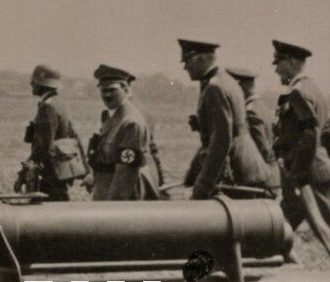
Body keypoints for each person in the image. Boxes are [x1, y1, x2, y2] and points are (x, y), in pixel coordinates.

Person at [271, 40, 330, 259]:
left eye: (279, 63)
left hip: (306, 176)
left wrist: (297, 173)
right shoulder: (315, 90)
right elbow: (329, 135)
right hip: (312, 171)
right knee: (277, 228)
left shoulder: (298, 92)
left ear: (292, 62)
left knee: (327, 233)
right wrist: (329, 166)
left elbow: (310, 133)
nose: (276, 69)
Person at [179, 38, 275, 200]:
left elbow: (221, 141)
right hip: (244, 168)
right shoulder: (223, 81)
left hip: (237, 172)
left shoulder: (215, 87)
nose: (185, 67)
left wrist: (203, 185)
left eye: (187, 61)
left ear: (201, 58)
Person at [86, 64, 162, 201]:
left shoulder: (131, 123)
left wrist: (113, 207)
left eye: (112, 90)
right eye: (103, 90)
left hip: (124, 196)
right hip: (106, 189)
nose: (107, 95)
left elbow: (126, 173)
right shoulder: (112, 116)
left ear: (125, 89)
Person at [17, 64, 84, 199]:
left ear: (42, 83)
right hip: (61, 173)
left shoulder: (47, 107)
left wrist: (24, 173)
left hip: (50, 175)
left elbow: (42, 147)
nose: (31, 83)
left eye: (34, 80)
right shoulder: (60, 104)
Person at [231, 69, 282, 193]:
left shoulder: (250, 111)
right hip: (271, 176)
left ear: (240, 86)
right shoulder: (261, 106)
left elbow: (261, 147)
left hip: (261, 179)